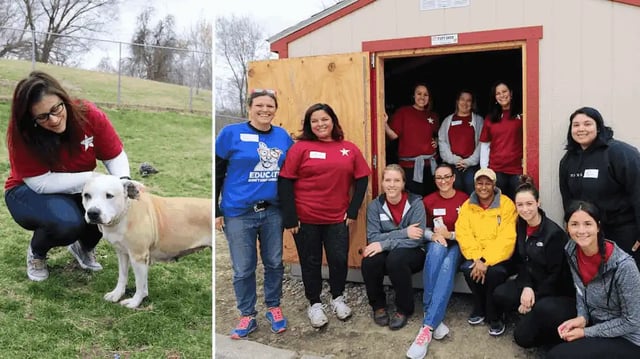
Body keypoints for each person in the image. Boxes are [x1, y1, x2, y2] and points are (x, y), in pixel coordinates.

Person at [4, 71, 131, 283]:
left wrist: (122, 186)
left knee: (107, 207)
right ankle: (37, 253)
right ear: (31, 119)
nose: (53, 120)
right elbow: (41, 183)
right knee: (67, 223)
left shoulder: (88, 115)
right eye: (43, 117)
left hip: (75, 187)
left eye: (56, 109)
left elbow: (114, 155)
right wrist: (91, 178)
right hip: (27, 191)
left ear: (64, 98)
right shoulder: (22, 133)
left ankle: (83, 248)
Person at [279, 103, 370, 328]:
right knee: (310, 262)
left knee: (339, 260)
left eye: (324, 119)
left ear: (333, 121)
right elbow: (285, 181)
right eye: (315, 121)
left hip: (337, 218)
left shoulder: (348, 148)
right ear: (310, 125)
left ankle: (337, 297)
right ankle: (315, 303)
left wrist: (352, 210)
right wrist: (290, 217)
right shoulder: (300, 148)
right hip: (305, 218)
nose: (320, 124)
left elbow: (362, 178)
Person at [215, 89, 293, 339]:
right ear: (249, 107)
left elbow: (290, 174)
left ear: (275, 109)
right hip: (239, 212)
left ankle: (273, 306)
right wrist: (214, 209)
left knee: (274, 262)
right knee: (243, 267)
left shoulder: (282, 137)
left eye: (270, 106)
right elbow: (216, 171)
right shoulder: (231, 134)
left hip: (272, 211)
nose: (265, 110)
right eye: (259, 105)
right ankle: (247, 314)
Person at [547, 201, 640, 358]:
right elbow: (580, 290)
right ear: (567, 227)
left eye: (588, 224)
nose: (581, 230)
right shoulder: (571, 249)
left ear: (598, 227)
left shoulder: (624, 266)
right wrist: (582, 317)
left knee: (556, 356)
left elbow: (632, 322)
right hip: (595, 320)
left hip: (629, 339)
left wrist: (585, 332)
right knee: (544, 318)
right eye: (574, 224)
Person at [492, 175, 576, 349]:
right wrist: (526, 286)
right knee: (500, 294)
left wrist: (534, 298)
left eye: (529, 204)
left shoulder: (553, 234)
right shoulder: (520, 225)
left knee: (522, 337)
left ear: (538, 203)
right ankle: (528, 312)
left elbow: (557, 275)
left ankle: (546, 326)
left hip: (552, 291)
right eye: (520, 205)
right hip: (531, 282)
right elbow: (521, 261)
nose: (525, 209)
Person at [559, 106, 640, 267]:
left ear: (598, 127)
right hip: (590, 235)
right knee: (598, 282)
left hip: (623, 232)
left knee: (625, 281)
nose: (581, 129)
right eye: (576, 125)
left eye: (587, 124)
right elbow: (568, 200)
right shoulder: (568, 160)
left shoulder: (619, 153)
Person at [406, 163, 469, 359]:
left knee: (449, 264)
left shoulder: (465, 200)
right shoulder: (428, 201)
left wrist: (451, 234)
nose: (443, 181)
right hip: (437, 242)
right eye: (438, 178)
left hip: (458, 243)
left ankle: (427, 327)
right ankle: (433, 317)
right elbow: (419, 228)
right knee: (435, 251)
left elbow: (471, 231)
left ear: (453, 178)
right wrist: (431, 235)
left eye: (446, 177)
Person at [361, 164, 426, 331]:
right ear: (382, 183)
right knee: (369, 260)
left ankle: (404, 309)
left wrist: (385, 243)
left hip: (413, 252)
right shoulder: (375, 206)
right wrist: (404, 232)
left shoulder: (416, 203)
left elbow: (416, 239)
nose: (392, 184)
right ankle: (378, 306)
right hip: (388, 249)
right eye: (387, 180)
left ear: (403, 183)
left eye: (397, 180)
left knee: (396, 259)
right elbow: (373, 237)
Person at [455, 168, 517, 336]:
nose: (483, 187)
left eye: (487, 183)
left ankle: (494, 314)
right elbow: (464, 233)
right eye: (479, 183)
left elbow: (507, 238)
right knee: (468, 269)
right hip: (476, 256)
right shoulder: (468, 205)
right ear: (474, 185)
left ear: (494, 185)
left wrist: (485, 260)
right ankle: (480, 306)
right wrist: (477, 259)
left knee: (495, 273)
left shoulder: (506, 204)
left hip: (500, 257)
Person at [384, 83, 439, 196]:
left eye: (425, 94)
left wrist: (437, 141)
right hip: (409, 166)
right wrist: (384, 124)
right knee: (414, 198)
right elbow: (393, 135)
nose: (422, 97)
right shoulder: (403, 112)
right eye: (419, 93)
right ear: (413, 96)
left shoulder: (433, 116)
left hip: (430, 165)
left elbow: (438, 135)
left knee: (431, 196)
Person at [479, 81, 523, 200]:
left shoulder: (522, 115)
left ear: (511, 93)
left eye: (504, 91)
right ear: (494, 97)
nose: (502, 95)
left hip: (517, 169)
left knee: (519, 203)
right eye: (498, 93)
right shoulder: (490, 118)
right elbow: (485, 145)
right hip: (496, 170)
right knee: (498, 205)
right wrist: (485, 170)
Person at [438, 90, 484, 195]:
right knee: (455, 187)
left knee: (471, 185)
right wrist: (455, 160)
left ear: (472, 103)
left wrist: (469, 161)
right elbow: (442, 142)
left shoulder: (479, 120)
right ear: (457, 101)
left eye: (469, 101)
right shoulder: (448, 120)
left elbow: (482, 143)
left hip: (471, 165)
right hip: (452, 164)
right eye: (462, 99)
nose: (465, 103)